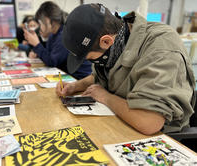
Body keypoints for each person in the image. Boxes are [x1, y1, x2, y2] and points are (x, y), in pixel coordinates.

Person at [56, 4, 196, 136]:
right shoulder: (117, 45)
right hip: (122, 122)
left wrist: (106, 97)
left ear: (106, 41)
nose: (90, 62)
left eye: (90, 58)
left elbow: (149, 121)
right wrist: (75, 86)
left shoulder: (161, 47)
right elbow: (104, 76)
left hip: (161, 137)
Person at [24, 1, 92, 80]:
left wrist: (36, 44)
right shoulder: (53, 35)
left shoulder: (65, 34)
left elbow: (52, 62)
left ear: (49, 20)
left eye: (40, 23)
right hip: (67, 74)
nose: (39, 27)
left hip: (79, 79)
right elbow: (49, 56)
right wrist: (36, 52)